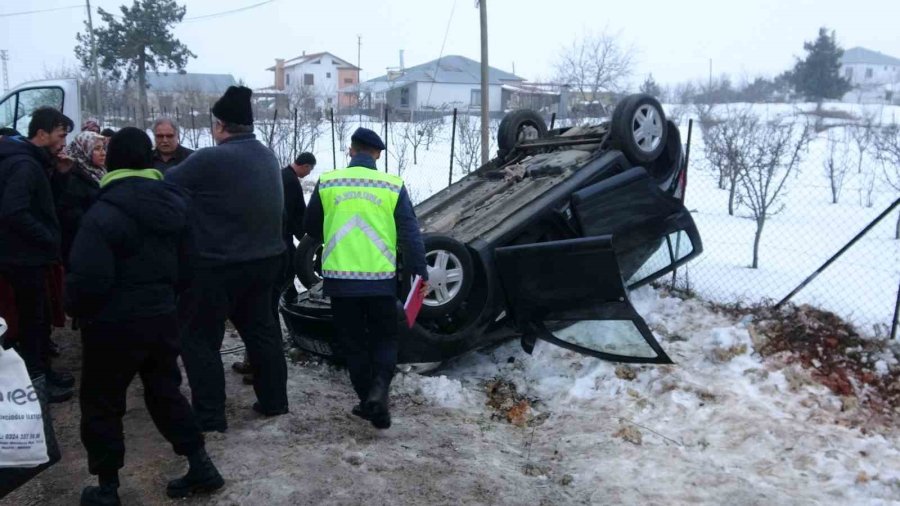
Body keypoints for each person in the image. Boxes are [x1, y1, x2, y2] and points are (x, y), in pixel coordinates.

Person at [66, 127, 224, 505]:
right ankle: (200, 464)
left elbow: (88, 280)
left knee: (102, 403)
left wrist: (78, 310)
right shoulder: (176, 205)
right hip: (161, 317)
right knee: (165, 391)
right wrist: (169, 307)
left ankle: (107, 489)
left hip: (111, 325)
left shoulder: (102, 212)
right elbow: (190, 268)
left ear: (115, 162)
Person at [166, 86, 288, 432]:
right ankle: (275, 401)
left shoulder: (210, 158)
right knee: (262, 334)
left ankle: (209, 417)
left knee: (200, 339)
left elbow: (163, 186)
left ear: (220, 126)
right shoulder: (267, 156)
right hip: (265, 262)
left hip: (218, 267)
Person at [304, 127, 428, 429]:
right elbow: (410, 234)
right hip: (380, 281)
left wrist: (333, 236)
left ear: (351, 150)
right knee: (385, 338)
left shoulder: (328, 182)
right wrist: (419, 272)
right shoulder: (392, 185)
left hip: (341, 282)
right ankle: (378, 394)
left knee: (354, 344)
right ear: (377, 154)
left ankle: (369, 401)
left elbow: (310, 226)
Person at [0, 107, 75, 403]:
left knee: (39, 318)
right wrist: (48, 239)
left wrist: (62, 175)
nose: (63, 140)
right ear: (41, 134)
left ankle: (43, 371)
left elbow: (42, 202)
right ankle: (36, 383)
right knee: (33, 321)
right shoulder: (24, 165)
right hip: (22, 258)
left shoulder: (33, 161)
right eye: (60, 134)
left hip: (25, 256)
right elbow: (14, 211)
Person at [232, 151, 315, 383]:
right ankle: (261, 364)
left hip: (267, 256)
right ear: (305, 166)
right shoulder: (288, 183)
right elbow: (298, 218)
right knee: (266, 314)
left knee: (263, 313)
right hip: (277, 254)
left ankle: (261, 366)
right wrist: (309, 246)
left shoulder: (272, 181)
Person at [52, 131, 106, 266]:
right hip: (82, 243)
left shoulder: (101, 172)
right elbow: (71, 215)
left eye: (103, 148)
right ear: (84, 150)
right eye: (97, 149)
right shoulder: (74, 176)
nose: (103, 153)